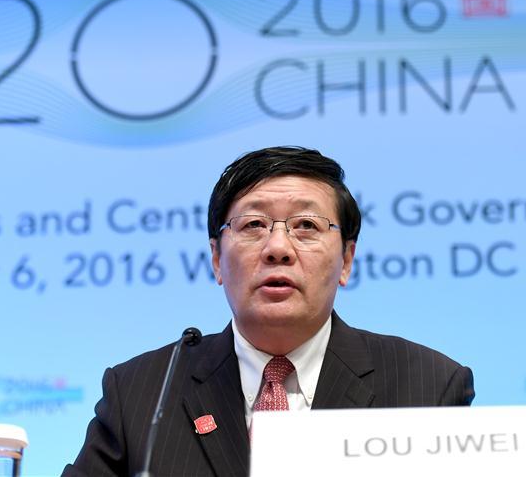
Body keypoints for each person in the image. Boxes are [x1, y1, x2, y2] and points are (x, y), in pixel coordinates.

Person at [63, 146, 474, 477]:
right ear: (216, 261)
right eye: (253, 225)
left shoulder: (428, 388)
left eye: (307, 226)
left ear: (346, 260)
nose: (278, 248)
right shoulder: (142, 391)